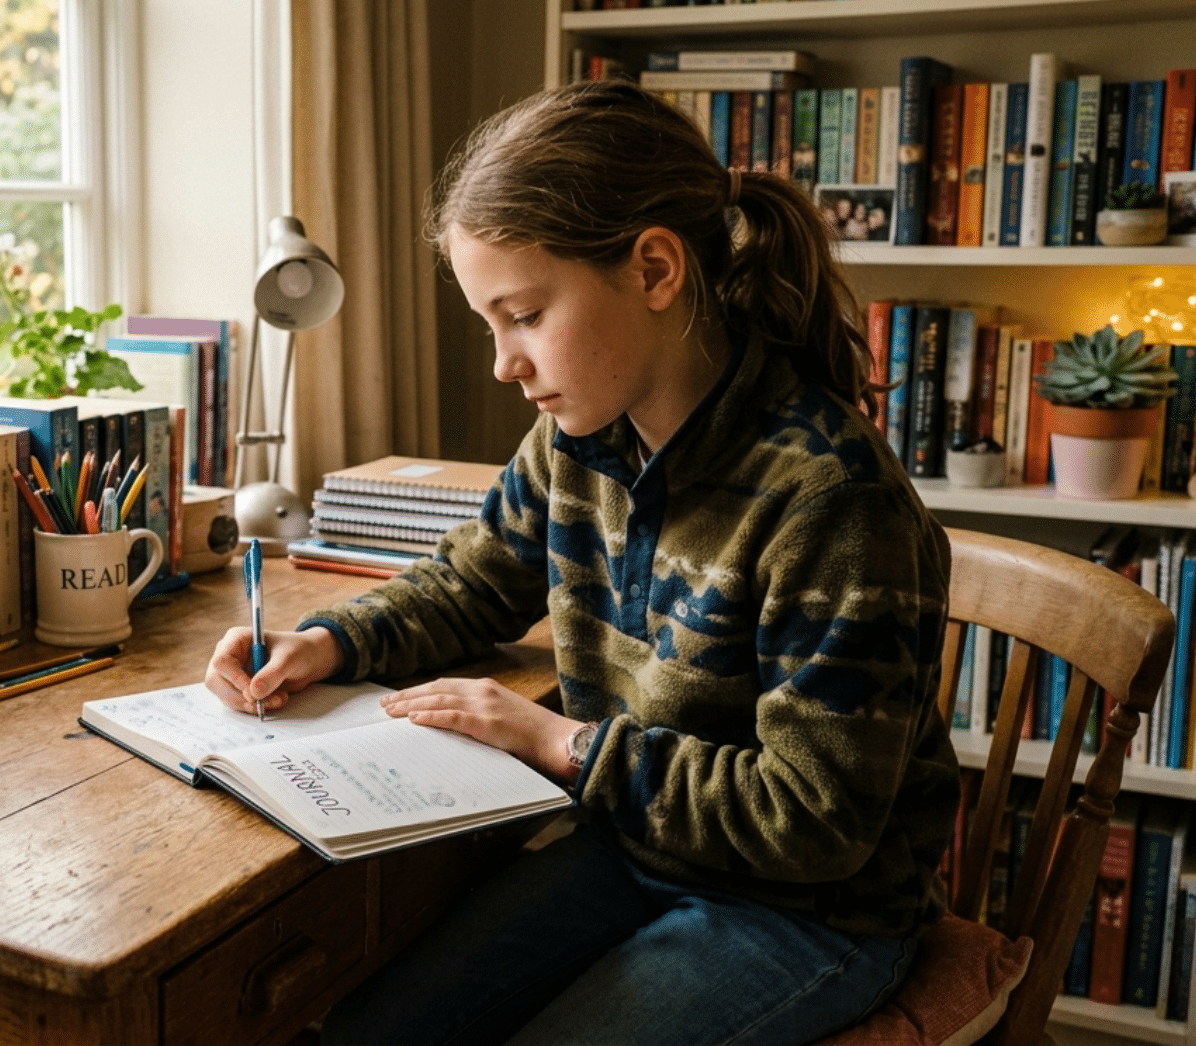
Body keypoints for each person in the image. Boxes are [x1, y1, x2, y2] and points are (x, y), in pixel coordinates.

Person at [202, 79, 958, 1046]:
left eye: (522, 315)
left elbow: (812, 821)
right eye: (490, 324)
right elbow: (473, 581)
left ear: (652, 269)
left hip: (812, 913)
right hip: (633, 847)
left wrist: (558, 744)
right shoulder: (577, 440)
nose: (501, 363)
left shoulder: (832, 501)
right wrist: (324, 642)